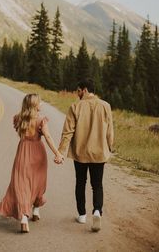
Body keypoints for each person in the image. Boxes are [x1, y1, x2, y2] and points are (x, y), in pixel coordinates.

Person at [0, 93, 62, 233]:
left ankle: (24, 218)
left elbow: (20, 135)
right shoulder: (41, 121)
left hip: (23, 152)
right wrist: (57, 153)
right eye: (40, 102)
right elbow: (48, 137)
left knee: (22, 185)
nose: (42, 104)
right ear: (34, 105)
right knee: (38, 183)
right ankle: (36, 210)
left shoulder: (19, 119)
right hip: (38, 153)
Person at [55, 79, 114, 232]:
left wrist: (60, 152)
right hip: (99, 153)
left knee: (80, 182)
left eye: (78, 91)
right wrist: (110, 148)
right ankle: (97, 211)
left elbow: (67, 132)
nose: (77, 94)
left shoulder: (75, 107)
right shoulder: (105, 106)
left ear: (85, 90)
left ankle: (82, 215)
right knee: (97, 184)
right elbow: (110, 131)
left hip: (80, 153)